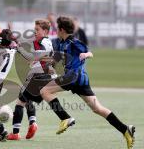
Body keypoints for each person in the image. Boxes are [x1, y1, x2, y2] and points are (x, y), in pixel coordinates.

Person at [40, 16, 135, 149]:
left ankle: (65, 118)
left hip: (74, 77)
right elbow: (59, 59)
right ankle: (125, 130)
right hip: (81, 81)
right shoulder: (62, 43)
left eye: (57, 28)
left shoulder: (73, 42)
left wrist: (86, 55)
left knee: (44, 91)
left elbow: (89, 52)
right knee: (97, 109)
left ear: (61, 29)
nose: (56, 30)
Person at [7, 19, 56, 140]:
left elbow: (31, 56)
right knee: (27, 99)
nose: (35, 32)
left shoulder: (41, 43)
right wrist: (14, 38)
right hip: (47, 76)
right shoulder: (46, 41)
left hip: (39, 76)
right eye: (34, 29)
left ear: (44, 31)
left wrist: (18, 49)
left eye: (37, 30)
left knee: (20, 101)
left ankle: (15, 133)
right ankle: (32, 123)